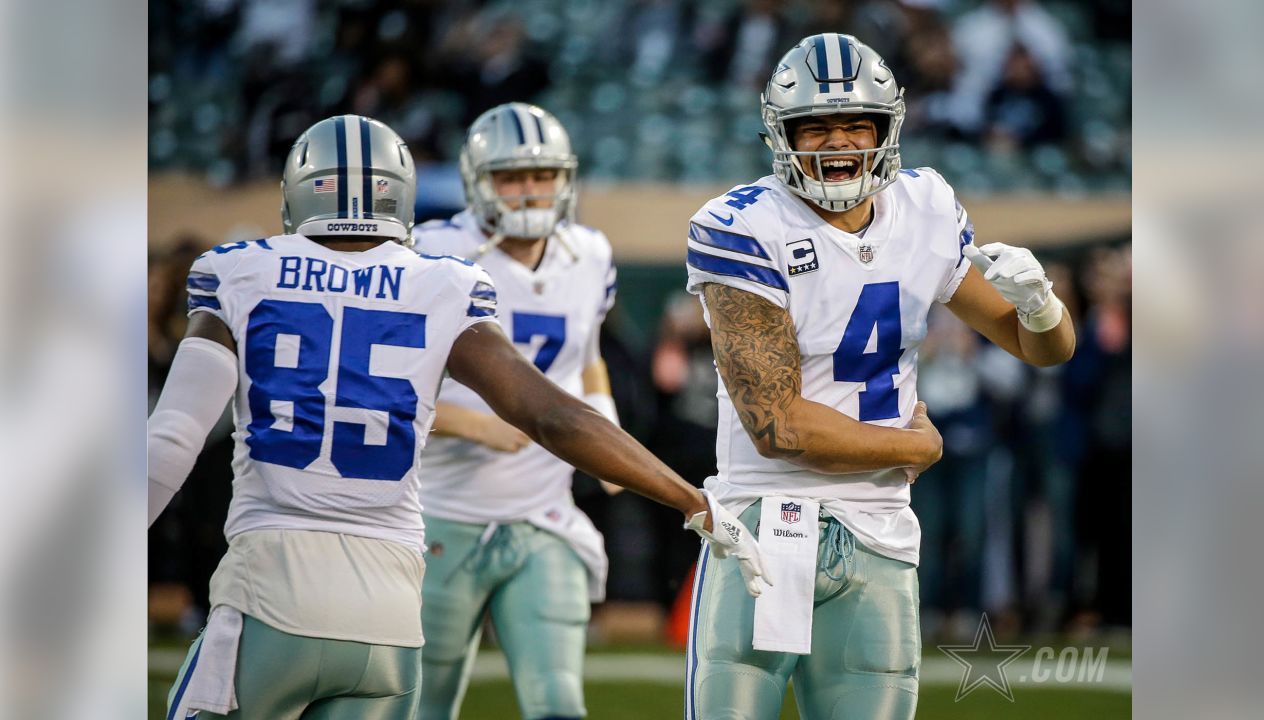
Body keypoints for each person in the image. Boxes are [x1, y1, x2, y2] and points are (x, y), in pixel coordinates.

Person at [149, 114, 769, 720]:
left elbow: (174, 436)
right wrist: (692, 498)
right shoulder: (442, 280)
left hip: (273, 592)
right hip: (390, 614)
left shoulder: (239, 270)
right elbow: (554, 415)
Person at [682, 34, 1074, 719]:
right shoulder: (744, 224)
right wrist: (914, 447)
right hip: (762, 524)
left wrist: (1041, 304)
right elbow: (778, 426)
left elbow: (1042, 349)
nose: (838, 142)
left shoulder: (924, 209)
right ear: (783, 135)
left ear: (887, 128)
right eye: (817, 126)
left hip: (881, 531)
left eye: (855, 123)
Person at [408, 101, 620, 720]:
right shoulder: (433, 252)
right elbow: (380, 384)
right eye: (511, 177)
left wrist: (602, 430)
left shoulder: (590, 252)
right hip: (440, 516)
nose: (530, 191)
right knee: (422, 706)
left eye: (542, 175)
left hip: (542, 515)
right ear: (479, 181)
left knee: (559, 703)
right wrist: (473, 422)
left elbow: (587, 357)